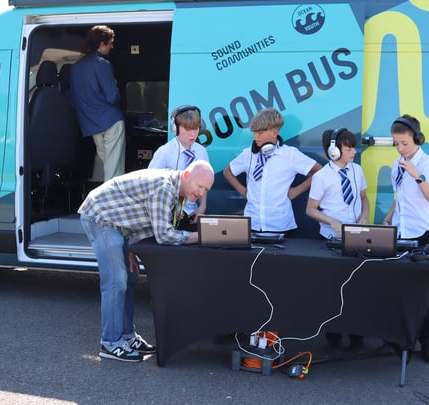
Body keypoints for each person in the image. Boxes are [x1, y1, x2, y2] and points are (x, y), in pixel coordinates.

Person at [79, 160, 215, 362]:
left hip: (120, 225)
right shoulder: (165, 188)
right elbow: (164, 235)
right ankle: (110, 343)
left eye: (206, 189)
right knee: (116, 282)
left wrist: (132, 248)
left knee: (130, 280)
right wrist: (203, 236)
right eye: (200, 186)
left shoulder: (179, 191)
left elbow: (144, 217)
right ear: (186, 176)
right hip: (101, 217)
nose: (202, 193)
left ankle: (127, 337)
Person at [381, 114, 429, 364]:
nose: (400, 148)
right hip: (400, 233)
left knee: (423, 295)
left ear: (417, 139)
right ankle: (399, 341)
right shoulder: (397, 164)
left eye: (404, 143)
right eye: (396, 143)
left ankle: (428, 344)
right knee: (399, 291)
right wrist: (388, 218)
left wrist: (418, 175)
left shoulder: (427, 165)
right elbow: (400, 197)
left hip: (421, 235)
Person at [306, 128, 370, 353]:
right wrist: (330, 220)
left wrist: (364, 217)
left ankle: (357, 337)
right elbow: (310, 209)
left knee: (357, 290)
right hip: (331, 239)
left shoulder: (357, 170)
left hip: (356, 238)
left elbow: (364, 198)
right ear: (333, 151)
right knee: (334, 289)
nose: (354, 151)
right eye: (348, 148)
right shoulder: (322, 176)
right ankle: (333, 335)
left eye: (354, 146)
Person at [223, 108, 321, 236]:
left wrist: (296, 190)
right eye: (254, 132)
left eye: (260, 133)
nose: (255, 136)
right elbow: (227, 172)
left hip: (280, 225)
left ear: (274, 132)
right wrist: (243, 191)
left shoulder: (290, 154)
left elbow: (319, 172)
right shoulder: (248, 154)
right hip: (252, 223)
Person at [70, 25, 125, 181]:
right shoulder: (102, 64)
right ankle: (112, 203)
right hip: (111, 122)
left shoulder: (75, 68)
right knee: (114, 171)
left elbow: (74, 100)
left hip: (91, 124)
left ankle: (100, 200)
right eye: (110, 43)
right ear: (102, 43)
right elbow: (112, 96)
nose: (112, 46)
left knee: (104, 165)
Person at [148, 105, 209, 231]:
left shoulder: (201, 151)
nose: (193, 134)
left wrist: (202, 206)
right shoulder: (164, 152)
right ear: (175, 128)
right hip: (167, 215)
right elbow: (150, 184)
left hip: (190, 213)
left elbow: (204, 182)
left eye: (196, 129)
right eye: (187, 129)